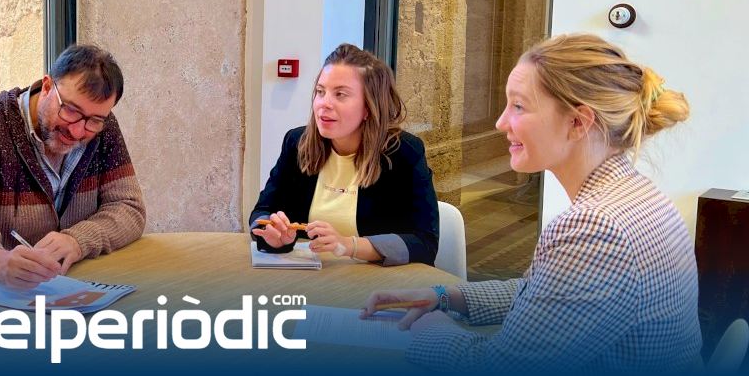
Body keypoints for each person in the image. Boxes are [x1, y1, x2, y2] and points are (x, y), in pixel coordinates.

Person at [363, 33, 701, 372]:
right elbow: (542, 293)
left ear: (578, 122)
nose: (500, 123)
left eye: (519, 106)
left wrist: (429, 330)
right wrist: (445, 297)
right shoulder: (637, 195)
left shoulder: (596, 228)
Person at [0, 44, 145, 289]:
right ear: (46, 87)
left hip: (61, 285)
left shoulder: (101, 130)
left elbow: (129, 208)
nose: (78, 131)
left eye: (95, 120)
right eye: (70, 111)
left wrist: (77, 241)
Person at [250, 44, 439, 266]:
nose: (324, 104)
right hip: (312, 278)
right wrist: (272, 233)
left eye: (340, 94)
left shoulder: (404, 153)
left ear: (369, 106)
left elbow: (424, 243)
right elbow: (262, 212)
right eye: (320, 92)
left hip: (378, 281)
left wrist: (349, 245)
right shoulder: (297, 143)